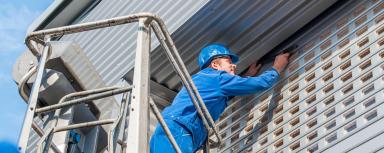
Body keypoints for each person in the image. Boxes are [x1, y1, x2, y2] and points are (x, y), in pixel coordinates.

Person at [150, 43, 290, 153]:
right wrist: (277, 67)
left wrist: (247, 75)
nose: (233, 65)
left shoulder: (207, 80)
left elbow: (224, 94)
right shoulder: (216, 77)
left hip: (175, 131)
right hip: (179, 131)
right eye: (228, 61)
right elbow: (261, 84)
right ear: (215, 65)